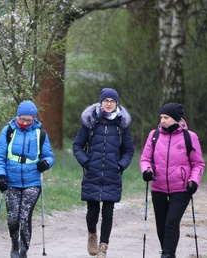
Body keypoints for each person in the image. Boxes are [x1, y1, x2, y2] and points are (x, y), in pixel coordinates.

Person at [72, 88, 135, 258]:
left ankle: (103, 246)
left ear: (116, 103)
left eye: (112, 101)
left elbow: (129, 151)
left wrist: (120, 165)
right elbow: (77, 146)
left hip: (112, 175)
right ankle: (92, 234)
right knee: (92, 212)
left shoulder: (122, 125)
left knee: (108, 213)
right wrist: (86, 162)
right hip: (92, 173)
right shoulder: (90, 122)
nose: (109, 104)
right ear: (101, 102)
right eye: (106, 100)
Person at [139, 103, 205, 258]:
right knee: (161, 225)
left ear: (176, 119)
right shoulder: (154, 135)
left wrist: (194, 180)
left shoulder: (190, 137)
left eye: (166, 117)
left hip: (182, 188)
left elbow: (198, 163)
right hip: (158, 186)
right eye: (161, 117)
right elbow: (145, 159)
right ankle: (168, 253)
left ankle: (167, 254)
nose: (162, 120)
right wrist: (146, 171)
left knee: (171, 222)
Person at [0, 100, 55, 258]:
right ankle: (15, 242)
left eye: (29, 120)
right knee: (13, 217)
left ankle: (23, 249)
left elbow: (49, 156)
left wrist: (45, 163)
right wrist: (0, 176)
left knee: (24, 215)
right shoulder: (8, 131)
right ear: (17, 116)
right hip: (11, 181)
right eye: (23, 119)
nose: (26, 123)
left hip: (32, 181)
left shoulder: (40, 134)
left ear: (34, 118)